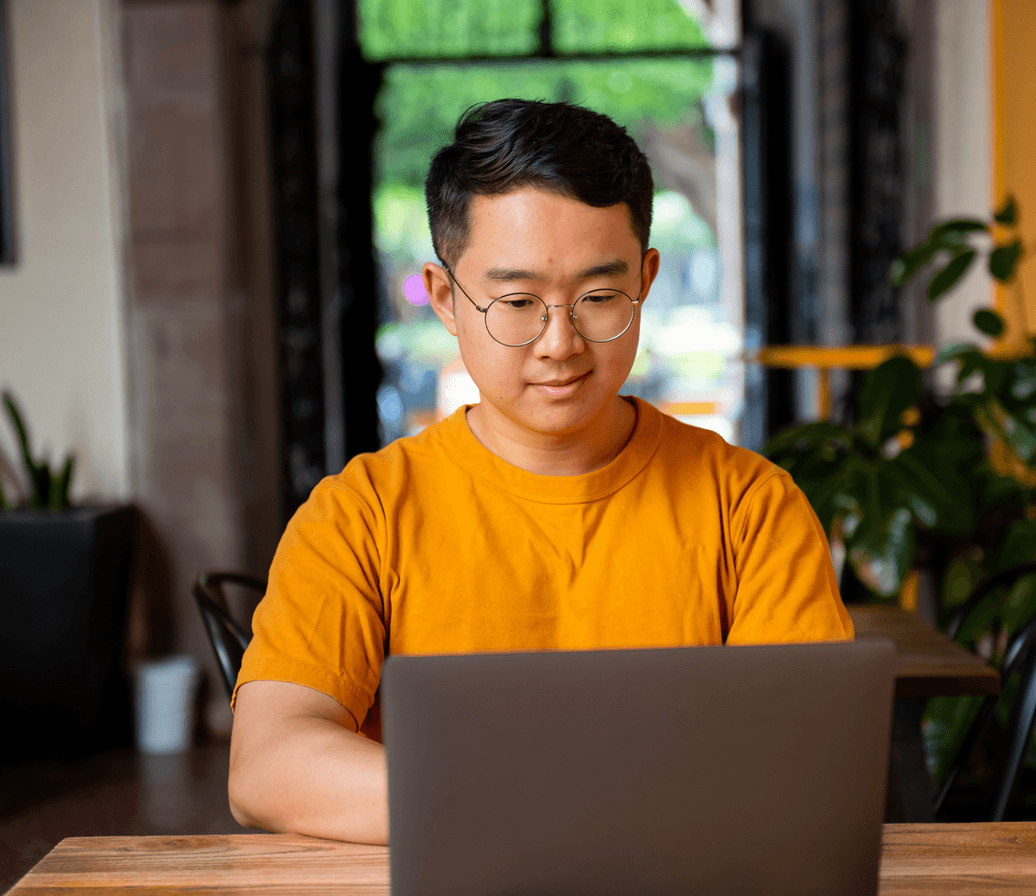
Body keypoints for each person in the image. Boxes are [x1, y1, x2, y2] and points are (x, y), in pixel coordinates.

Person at [228, 98, 852, 844]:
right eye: (517, 301)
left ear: (646, 279)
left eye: (597, 296)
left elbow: (803, 762)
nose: (560, 342)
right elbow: (268, 765)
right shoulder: (363, 513)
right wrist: (546, 803)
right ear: (444, 298)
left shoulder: (748, 506)